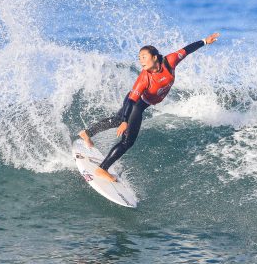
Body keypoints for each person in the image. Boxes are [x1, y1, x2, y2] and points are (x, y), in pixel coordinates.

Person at [78, 32, 220, 182]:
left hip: (138, 103)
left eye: (144, 57)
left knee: (116, 120)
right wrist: (126, 121)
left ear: (154, 57)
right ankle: (102, 169)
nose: (141, 61)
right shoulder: (144, 78)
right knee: (127, 141)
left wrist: (205, 41)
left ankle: (87, 133)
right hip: (137, 103)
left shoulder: (170, 61)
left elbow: (187, 50)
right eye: (139, 58)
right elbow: (132, 100)